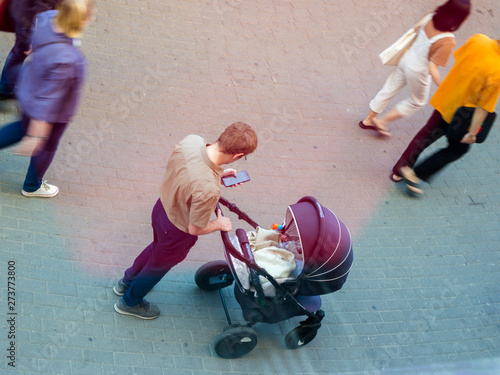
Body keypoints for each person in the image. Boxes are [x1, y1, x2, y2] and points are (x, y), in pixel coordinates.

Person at [113, 122, 258, 319]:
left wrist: (219, 174)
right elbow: (195, 228)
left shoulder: (192, 141)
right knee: (156, 268)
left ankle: (127, 281)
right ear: (238, 155)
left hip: (161, 209)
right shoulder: (208, 189)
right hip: (176, 231)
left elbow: (193, 170)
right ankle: (130, 302)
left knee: (155, 248)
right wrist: (219, 224)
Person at [0, 0, 94, 197]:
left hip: (29, 89)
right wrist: (36, 135)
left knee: (20, 127)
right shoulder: (69, 59)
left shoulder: (45, 19)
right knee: (48, 145)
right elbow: (50, 100)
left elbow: (29, 47)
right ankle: (32, 186)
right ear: (82, 21)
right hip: (54, 111)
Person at [391, 34, 500, 194]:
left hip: (447, 99)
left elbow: (459, 59)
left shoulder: (478, 39)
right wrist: (471, 133)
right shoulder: (497, 73)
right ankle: (417, 174)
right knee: (457, 149)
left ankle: (399, 170)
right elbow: (483, 108)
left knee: (425, 135)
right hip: (464, 117)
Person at [359, 0, 470, 137]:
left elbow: (416, 31)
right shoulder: (448, 40)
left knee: (389, 89)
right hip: (418, 70)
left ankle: (369, 120)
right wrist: (443, 87)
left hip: (407, 57)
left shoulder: (431, 15)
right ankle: (382, 121)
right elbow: (432, 67)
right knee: (418, 101)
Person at [0, 0, 61, 99]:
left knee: (19, 51)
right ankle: (5, 88)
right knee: (20, 52)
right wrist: (34, 36)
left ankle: (6, 87)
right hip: (28, 18)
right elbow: (43, 9)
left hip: (23, 9)